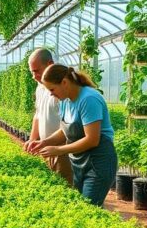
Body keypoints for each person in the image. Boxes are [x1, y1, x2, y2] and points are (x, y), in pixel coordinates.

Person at [31, 64, 117, 206]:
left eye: (52, 89)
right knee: (80, 206)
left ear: (64, 82)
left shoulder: (89, 99)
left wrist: (58, 150)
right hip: (78, 162)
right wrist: (44, 142)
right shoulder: (65, 101)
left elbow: (92, 140)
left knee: (89, 208)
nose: (51, 94)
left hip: (98, 162)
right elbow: (64, 131)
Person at [22, 48, 73, 186]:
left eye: (36, 71)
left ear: (50, 64)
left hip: (63, 150)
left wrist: (49, 144)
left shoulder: (61, 88)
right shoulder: (40, 87)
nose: (34, 76)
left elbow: (68, 125)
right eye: (31, 71)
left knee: (67, 188)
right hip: (47, 148)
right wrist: (32, 140)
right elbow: (38, 115)